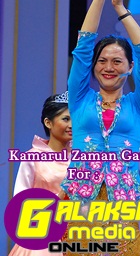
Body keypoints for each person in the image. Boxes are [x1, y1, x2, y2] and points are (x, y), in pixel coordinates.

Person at [59, 0, 140, 255]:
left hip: (123, 200)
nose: (108, 67)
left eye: (117, 61)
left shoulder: (138, 104)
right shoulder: (80, 98)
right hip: (80, 199)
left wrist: (120, 8)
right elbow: (83, 46)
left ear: (129, 67)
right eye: (102, 61)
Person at [9, 92, 72, 256]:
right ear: (48, 122)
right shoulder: (33, 157)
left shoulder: (80, 158)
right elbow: (21, 202)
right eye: (66, 119)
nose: (72, 125)